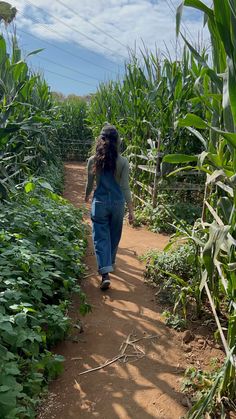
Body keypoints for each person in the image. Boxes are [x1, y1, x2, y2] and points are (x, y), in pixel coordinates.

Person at [85, 124, 134, 290]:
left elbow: (90, 183)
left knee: (100, 238)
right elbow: (125, 187)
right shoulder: (123, 162)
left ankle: (105, 273)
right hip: (118, 204)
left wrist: (86, 197)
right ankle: (110, 262)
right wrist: (131, 211)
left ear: (100, 139)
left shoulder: (93, 161)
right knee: (114, 236)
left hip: (99, 203)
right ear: (117, 141)